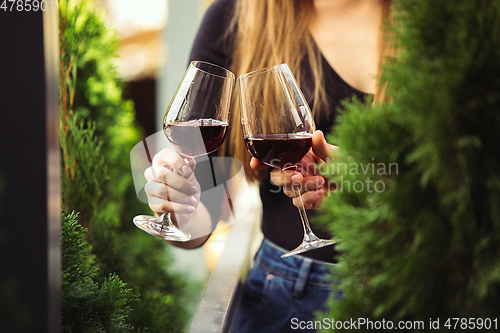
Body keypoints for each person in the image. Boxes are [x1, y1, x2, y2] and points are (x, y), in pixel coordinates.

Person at [144, 0, 393, 331]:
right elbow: (206, 208)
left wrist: (372, 188)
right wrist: (179, 207)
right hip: (287, 297)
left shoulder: (438, 20)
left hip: (418, 291)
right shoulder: (235, 15)